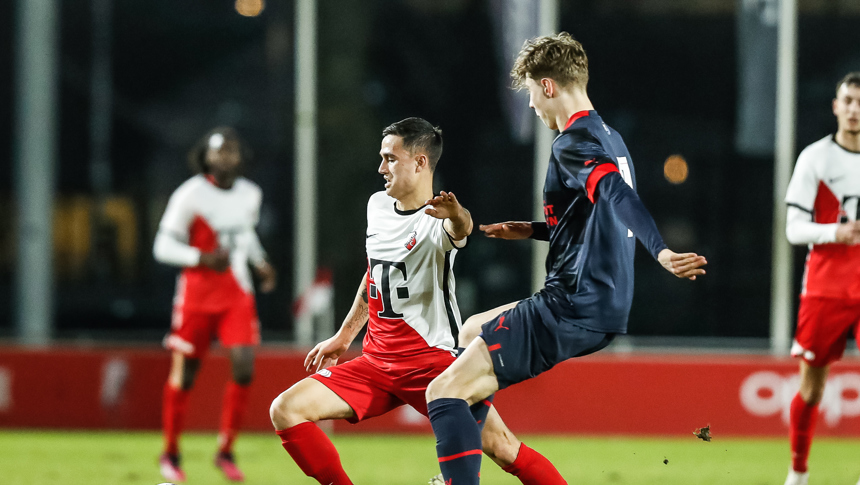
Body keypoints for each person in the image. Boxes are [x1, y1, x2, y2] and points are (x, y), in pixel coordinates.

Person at [424, 32, 708, 484]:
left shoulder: (572, 142)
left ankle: (458, 476)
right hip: (602, 306)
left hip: (572, 305)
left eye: (533, 94)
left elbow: (614, 193)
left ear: (549, 86)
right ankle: (479, 452)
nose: (533, 107)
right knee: (472, 328)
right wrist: (538, 231)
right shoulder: (610, 136)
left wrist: (662, 251)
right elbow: (600, 217)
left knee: (442, 391)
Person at [269, 117, 568, 485]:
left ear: (420, 162)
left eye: (390, 159)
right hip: (376, 364)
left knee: (505, 449)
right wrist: (345, 336)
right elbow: (375, 275)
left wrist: (458, 214)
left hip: (435, 367)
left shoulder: (437, 220)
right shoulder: (377, 206)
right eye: (382, 158)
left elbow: (463, 228)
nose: (381, 168)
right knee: (286, 409)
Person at [153, 126, 277, 483]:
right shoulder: (190, 194)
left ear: (241, 157)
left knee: (243, 366)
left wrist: (260, 262)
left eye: (232, 151)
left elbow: (244, 233)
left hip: (236, 292)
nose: (226, 157)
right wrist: (202, 258)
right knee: (186, 374)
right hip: (196, 294)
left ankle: (225, 451)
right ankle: (171, 452)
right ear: (206, 155)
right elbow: (162, 247)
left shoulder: (250, 194)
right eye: (219, 150)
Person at [782, 72, 860, 485]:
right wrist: (835, 232)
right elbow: (793, 229)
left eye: (859, 102)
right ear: (835, 106)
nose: (854, 109)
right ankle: (798, 471)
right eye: (847, 100)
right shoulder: (815, 158)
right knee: (811, 389)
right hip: (827, 284)